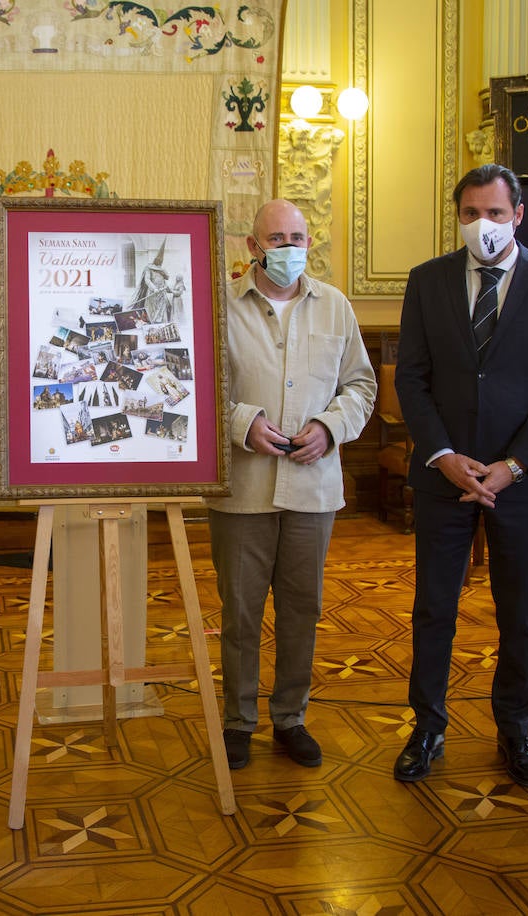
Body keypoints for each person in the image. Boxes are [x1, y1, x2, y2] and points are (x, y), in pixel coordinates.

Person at [393, 164, 528, 787]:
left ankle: (514, 729)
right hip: (443, 474)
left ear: (519, 214)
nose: (484, 226)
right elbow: (411, 379)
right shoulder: (427, 281)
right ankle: (428, 726)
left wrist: (514, 464)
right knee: (433, 609)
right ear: (459, 217)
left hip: (520, 480)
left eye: (496, 214)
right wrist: (443, 455)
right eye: (472, 214)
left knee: (517, 611)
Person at [208, 199, 376, 770]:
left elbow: (361, 386)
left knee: (302, 608)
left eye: (297, 237)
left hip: (314, 486)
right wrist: (241, 424)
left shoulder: (335, 307)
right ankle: (238, 720)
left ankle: (290, 717)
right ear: (252, 246)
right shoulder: (220, 307)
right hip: (243, 492)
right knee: (242, 611)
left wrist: (329, 429)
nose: (288, 248)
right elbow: (193, 387)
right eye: (276, 238)